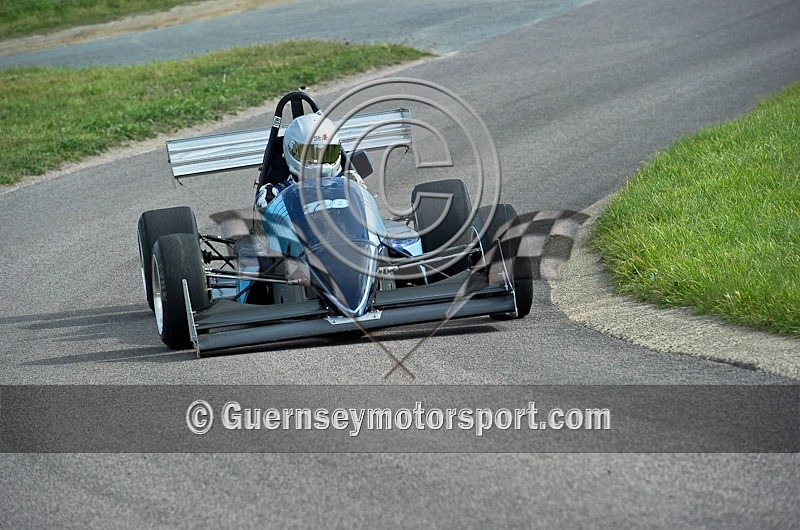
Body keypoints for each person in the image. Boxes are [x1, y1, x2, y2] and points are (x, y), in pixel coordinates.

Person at [256, 113, 342, 208]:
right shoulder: (275, 193)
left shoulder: (349, 182)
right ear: (291, 151)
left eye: (327, 154)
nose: (319, 161)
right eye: (310, 154)